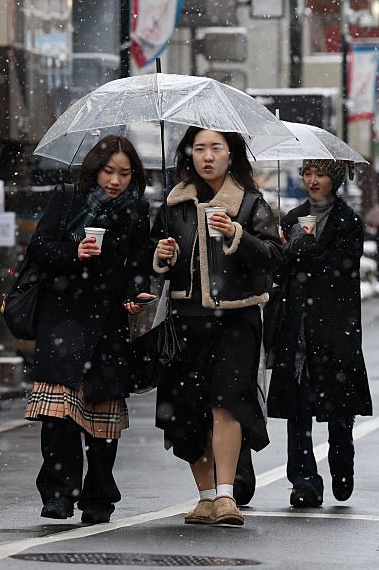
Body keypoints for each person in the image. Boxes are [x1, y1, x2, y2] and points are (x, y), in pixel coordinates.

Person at [152, 126, 283, 527]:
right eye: (199, 149)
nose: (207, 156)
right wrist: (160, 254)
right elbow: (152, 263)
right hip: (185, 321)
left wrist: (236, 233)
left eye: (216, 149)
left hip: (236, 319)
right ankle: (205, 496)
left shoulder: (250, 204)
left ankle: (226, 495)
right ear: (189, 155)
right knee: (187, 411)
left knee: (226, 403)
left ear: (231, 156)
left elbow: (274, 256)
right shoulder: (172, 207)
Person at [22, 135, 153, 524]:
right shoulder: (68, 199)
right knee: (58, 414)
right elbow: (38, 249)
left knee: (102, 417)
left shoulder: (137, 211)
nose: (115, 181)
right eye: (108, 171)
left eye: (124, 174)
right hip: (62, 316)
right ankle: (60, 495)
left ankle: (98, 498)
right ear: (94, 169)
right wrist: (72, 251)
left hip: (109, 322)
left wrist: (134, 294)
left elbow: (138, 265)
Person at [267, 159, 373, 508]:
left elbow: (342, 268)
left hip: (334, 326)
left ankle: (342, 464)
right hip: (297, 327)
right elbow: (281, 272)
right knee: (298, 410)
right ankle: (304, 482)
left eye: (321, 174)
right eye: (308, 173)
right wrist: (284, 250)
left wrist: (306, 249)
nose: (312, 180)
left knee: (338, 408)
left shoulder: (349, 222)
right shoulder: (291, 218)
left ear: (335, 180)